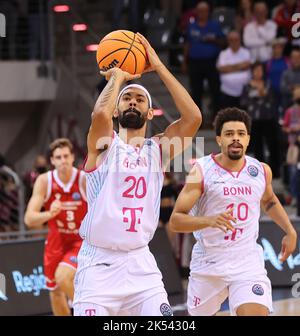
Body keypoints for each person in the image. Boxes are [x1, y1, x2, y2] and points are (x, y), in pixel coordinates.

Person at [73, 32, 202, 316]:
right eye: (127, 99)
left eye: (139, 99)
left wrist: (158, 66)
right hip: (99, 266)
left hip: (140, 264)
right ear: (117, 111)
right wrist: (118, 77)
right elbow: (99, 117)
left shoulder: (159, 150)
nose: (133, 102)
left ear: (151, 112)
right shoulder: (105, 146)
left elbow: (193, 118)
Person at [169, 107, 297, 316]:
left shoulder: (261, 170)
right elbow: (175, 220)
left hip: (246, 262)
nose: (235, 139)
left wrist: (290, 231)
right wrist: (209, 221)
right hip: (209, 263)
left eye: (241, 134)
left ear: (248, 139)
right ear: (219, 139)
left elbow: (269, 200)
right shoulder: (200, 170)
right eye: (229, 134)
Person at [24, 138, 87, 316]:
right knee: (55, 292)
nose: (63, 161)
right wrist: (49, 214)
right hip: (56, 241)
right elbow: (29, 219)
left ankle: (92, 310)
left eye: (66, 156)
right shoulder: (44, 181)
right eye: (58, 157)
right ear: (52, 160)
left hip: (79, 241)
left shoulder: (83, 179)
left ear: (73, 157)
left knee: (63, 276)